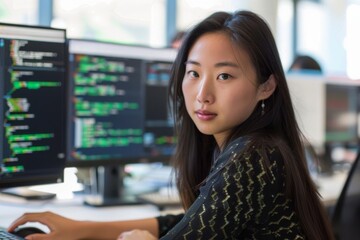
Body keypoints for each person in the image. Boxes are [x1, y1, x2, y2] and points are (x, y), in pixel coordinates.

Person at [8, 10, 334, 240]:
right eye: (193, 73)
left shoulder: (253, 156)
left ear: (267, 86)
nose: (202, 95)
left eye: (224, 76)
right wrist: (84, 228)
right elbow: (194, 224)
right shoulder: (255, 146)